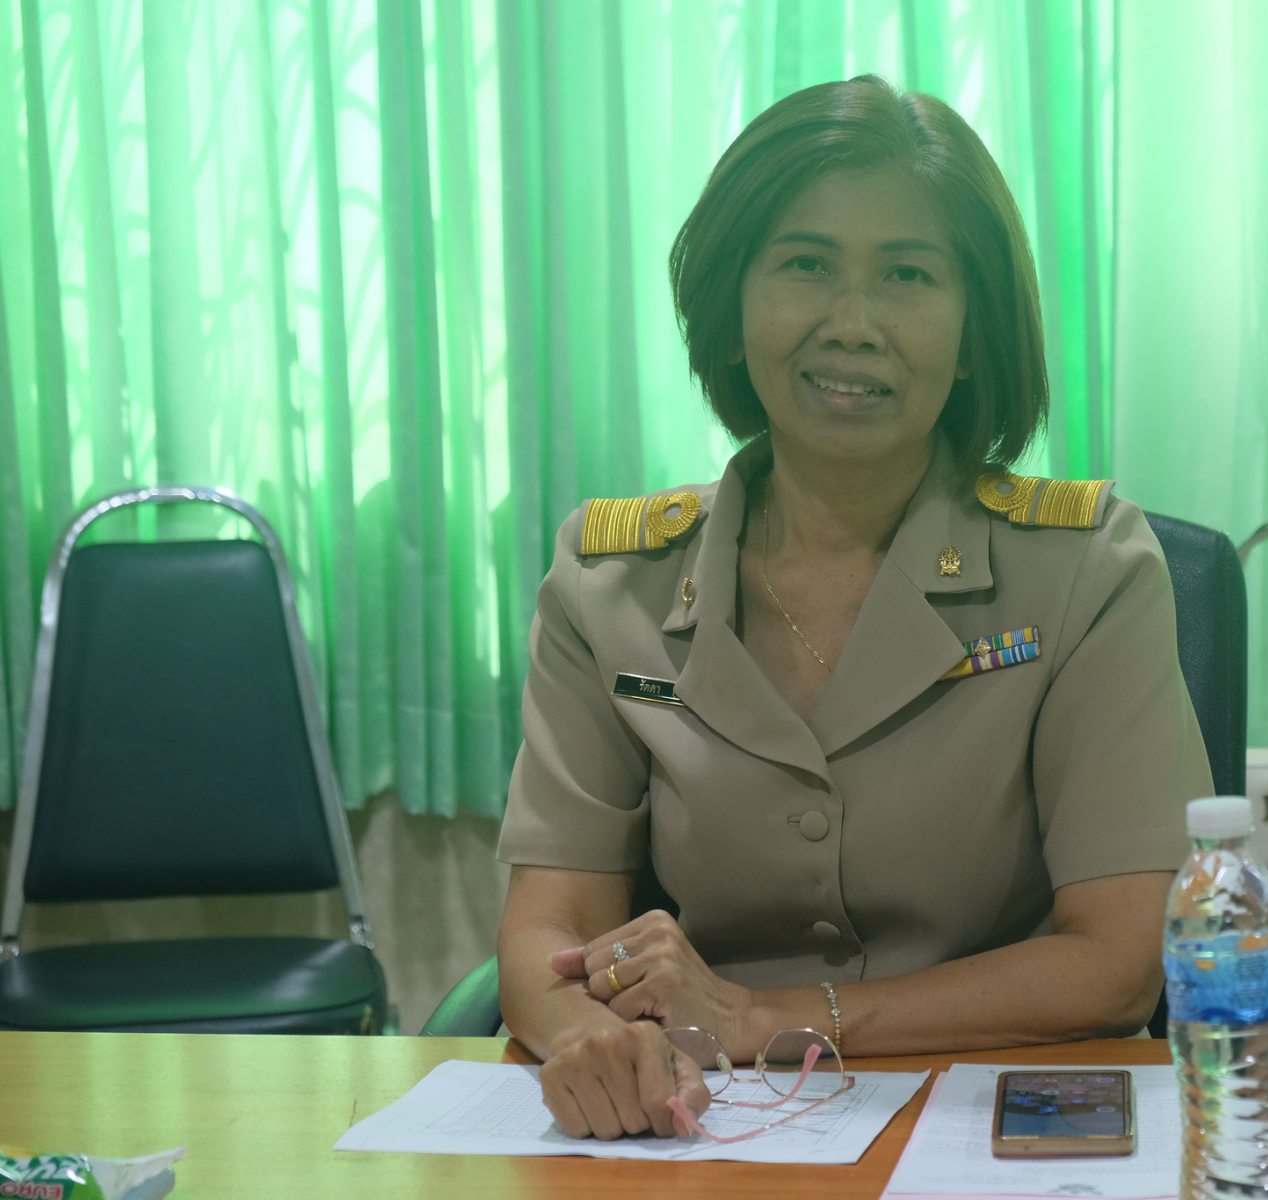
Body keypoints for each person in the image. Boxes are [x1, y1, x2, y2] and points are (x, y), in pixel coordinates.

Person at [494, 75, 1212, 1141]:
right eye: (805, 266)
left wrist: (768, 1017)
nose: (853, 324)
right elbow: (550, 926)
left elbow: (1117, 960)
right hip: (708, 1127)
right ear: (733, 311)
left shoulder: (1083, 569)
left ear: (973, 334)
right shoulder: (612, 582)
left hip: (998, 1122)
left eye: (908, 275)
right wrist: (586, 1039)